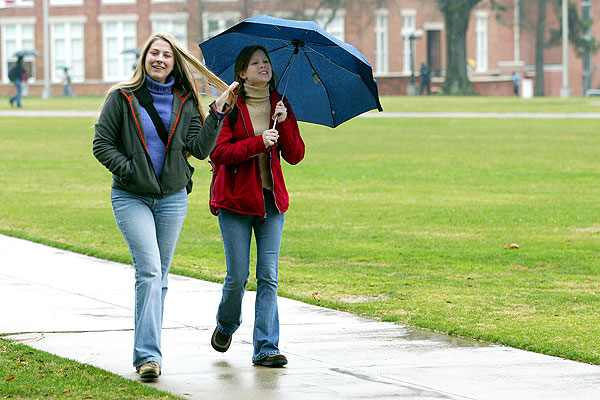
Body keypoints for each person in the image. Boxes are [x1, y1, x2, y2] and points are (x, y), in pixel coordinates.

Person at [93, 32, 237, 380]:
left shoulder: (184, 100)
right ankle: (148, 357)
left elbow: (199, 150)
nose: (160, 59)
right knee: (150, 272)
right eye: (154, 53)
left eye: (167, 55)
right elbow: (101, 144)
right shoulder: (122, 97)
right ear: (144, 58)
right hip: (131, 196)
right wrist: (128, 170)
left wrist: (217, 113)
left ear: (175, 63)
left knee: (159, 276)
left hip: (172, 198)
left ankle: (149, 350)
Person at [209, 45, 305, 367]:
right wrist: (257, 142)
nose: (263, 66)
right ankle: (226, 324)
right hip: (236, 202)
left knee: (268, 276)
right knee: (237, 276)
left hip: (271, 203)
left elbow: (295, 155)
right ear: (242, 72)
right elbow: (218, 152)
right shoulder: (229, 106)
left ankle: (266, 346)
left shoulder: (280, 103)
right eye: (256, 62)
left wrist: (286, 122)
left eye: (266, 62)